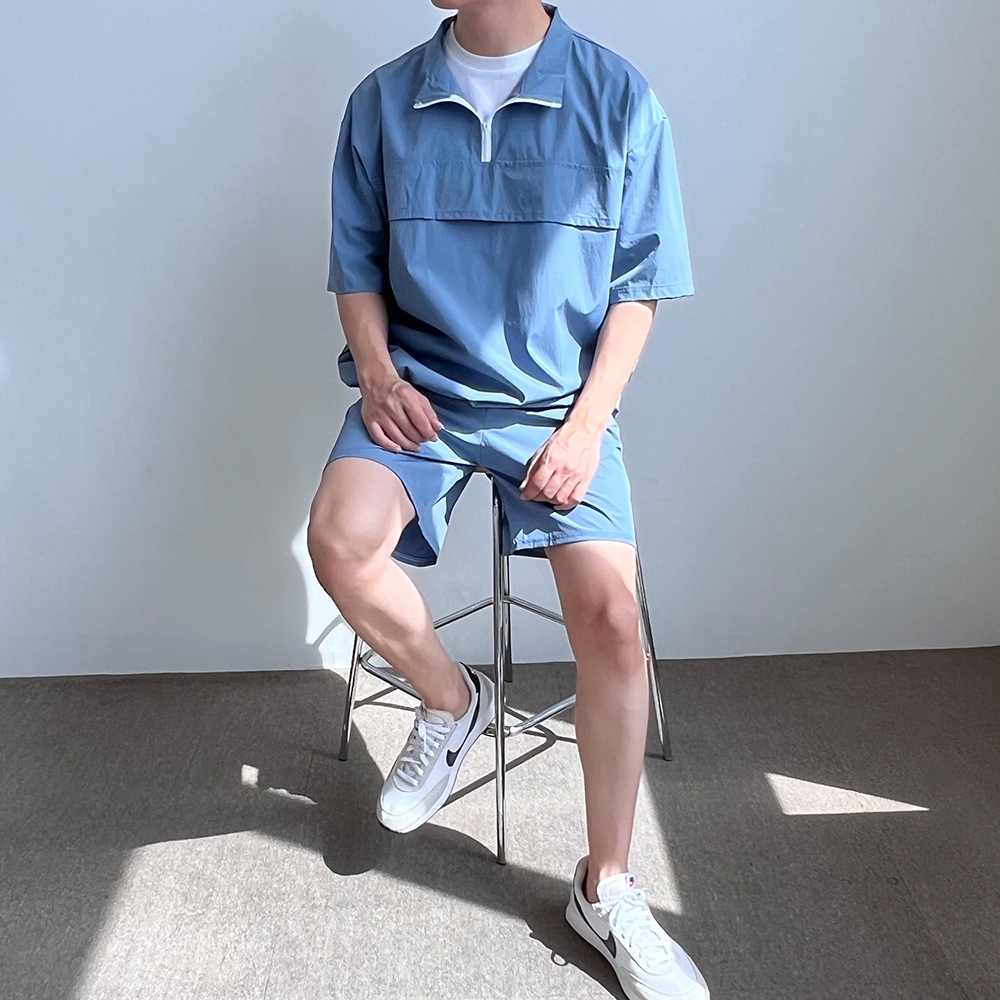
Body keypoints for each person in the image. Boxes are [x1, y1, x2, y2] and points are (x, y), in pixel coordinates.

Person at [307, 2, 707, 997]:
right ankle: (454, 702)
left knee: (611, 618)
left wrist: (586, 425)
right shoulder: (382, 102)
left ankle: (606, 887)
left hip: (559, 409)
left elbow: (639, 285)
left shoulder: (618, 98)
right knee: (338, 540)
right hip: (422, 395)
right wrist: (377, 374)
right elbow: (356, 267)